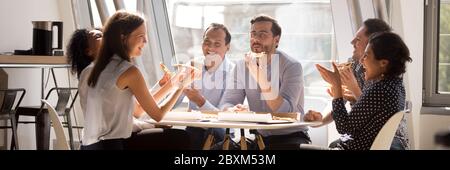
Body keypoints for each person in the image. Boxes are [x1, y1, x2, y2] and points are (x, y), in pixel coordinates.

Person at [78, 11, 198, 150]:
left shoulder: (88, 70)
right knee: (180, 138)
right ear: (123, 38)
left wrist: (171, 84)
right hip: (114, 146)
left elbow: (139, 110)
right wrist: (181, 86)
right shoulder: (128, 71)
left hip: (89, 146)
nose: (146, 41)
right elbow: (158, 115)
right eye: (141, 36)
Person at [304, 18, 410, 150]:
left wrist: (343, 88)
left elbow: (345, 126)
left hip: (389, 141)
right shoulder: (395, 83)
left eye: (358, 39)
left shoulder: (380, 88)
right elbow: (350, 109)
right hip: (365, 139)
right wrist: (319, 121)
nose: (352, 42)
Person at [220, 14, 309, 150]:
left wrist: (260, 78)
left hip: (290, 136)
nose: (255, 39)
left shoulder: (292, 66)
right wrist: (233, 110)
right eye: (253, 34)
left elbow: (285, 112)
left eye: (262, 35)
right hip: (259, 137)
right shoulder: (241, 66)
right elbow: (227, 102)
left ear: (276, 40)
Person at [172, 23, 235, 149]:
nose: (210, 47)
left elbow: (225, 117)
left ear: (227, 47)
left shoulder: (233, 73)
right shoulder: (193, 65)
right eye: (207, 42)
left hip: (221, 131)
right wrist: (171, 87)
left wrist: (199, 101)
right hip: (194, 128)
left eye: (217, 44)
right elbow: (173, 102)